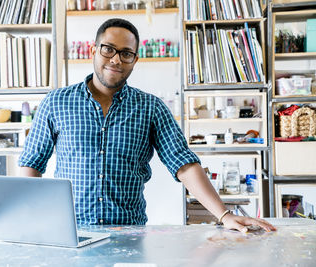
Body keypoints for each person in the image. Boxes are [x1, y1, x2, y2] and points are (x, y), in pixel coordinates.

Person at [19, 18, 276, 233]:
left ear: (135, 59)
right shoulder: (57, 102)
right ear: (93, 50)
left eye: (126, 53)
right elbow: (32, 163)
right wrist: (24, 217)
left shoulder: (150, 107)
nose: (116, 60)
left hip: (129, 234)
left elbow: (184, 165)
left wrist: (224, 215)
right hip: (70, 232)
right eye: (108, 49)